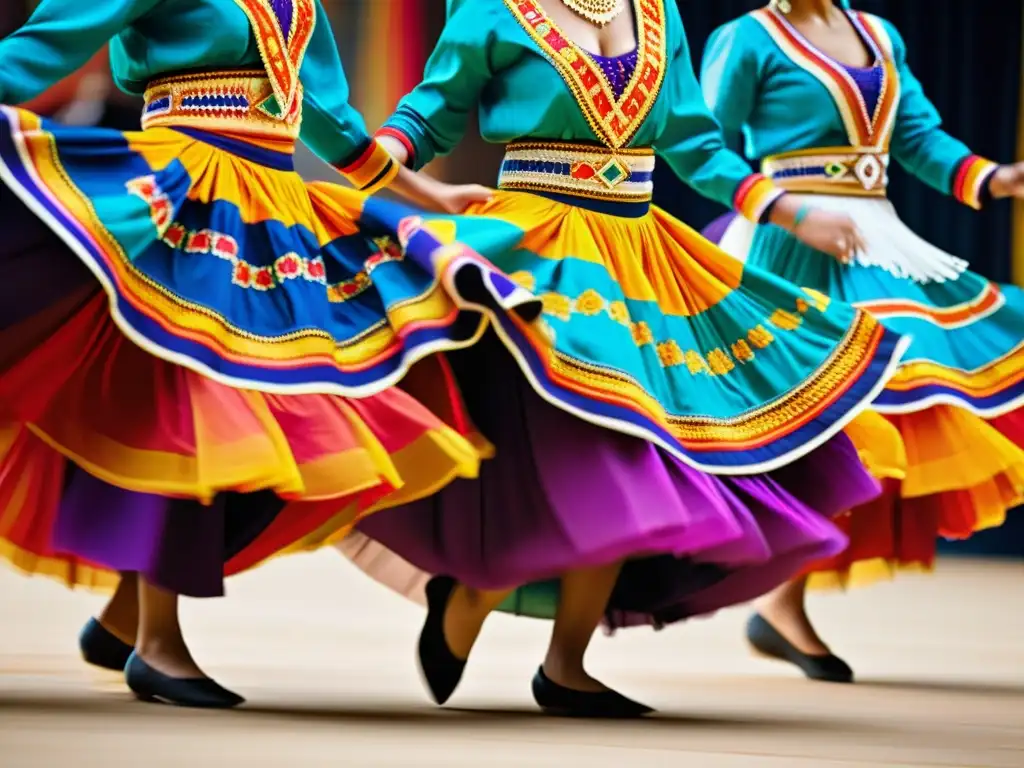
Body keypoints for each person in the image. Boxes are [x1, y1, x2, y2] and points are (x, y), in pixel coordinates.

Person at [336, 0, 912, 717]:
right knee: (557, 444)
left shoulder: (656, 12)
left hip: (640, 257)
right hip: (539, 248)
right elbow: (429, 113)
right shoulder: (494, 9)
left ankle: (566, 662)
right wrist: (363, 174)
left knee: (637, 443)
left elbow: (696, 143)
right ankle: (476, 588)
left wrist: (792, 212)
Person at [0, 0, 536, 708]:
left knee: (289, 413)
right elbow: (46, 44)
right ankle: (158, 642)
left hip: (275, 206)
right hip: (188, 194)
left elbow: (327, 117)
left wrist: (420, 187)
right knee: (197, 401)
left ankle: (125, 617)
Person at [698, 0, 1024, 683]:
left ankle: (782, 601)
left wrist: (994, 178)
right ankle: (763, 590)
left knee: (902, 388)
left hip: (878, 240)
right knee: (841, 405)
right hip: (788, 246)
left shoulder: (878, 34)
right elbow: (703, 147)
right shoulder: (749, 39)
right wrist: (788, 209)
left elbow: (916, 137)